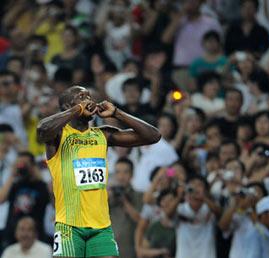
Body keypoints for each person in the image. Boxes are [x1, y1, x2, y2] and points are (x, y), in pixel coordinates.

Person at [36, 85, 161, 258]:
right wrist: (77, 110)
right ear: (67, 106)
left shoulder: (102, 135)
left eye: (89, 96)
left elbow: (153, 136)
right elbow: (41, 130)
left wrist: (117, 113)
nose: (89, 100)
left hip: (101, 226)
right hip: (69, 226)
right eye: (82, 97)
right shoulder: (57, 137)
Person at [0, 151, 49, 246]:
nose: (22, 166)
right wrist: (12, 175)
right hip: (11, 235)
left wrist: (35, 171)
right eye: (19, 163)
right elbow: (1, 199)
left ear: (33, 165)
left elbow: (53, 203)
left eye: (25, 164)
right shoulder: (15, 185)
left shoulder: (41, 186)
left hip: (34, 237)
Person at [109, 158, 143, 258]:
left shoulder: (139, 196)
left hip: (130, 250)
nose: (121, 176)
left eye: (125, 172)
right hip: (110, 250)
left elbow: (141, 221)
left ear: (132, 175)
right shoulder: (108, 195)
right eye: (118, 172)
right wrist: (105, 197)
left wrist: (125, 201)